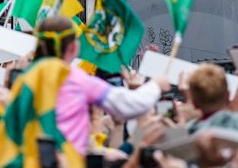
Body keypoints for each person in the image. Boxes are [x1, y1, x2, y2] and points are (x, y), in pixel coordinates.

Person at [37, 15, 167, 154]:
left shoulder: (26, 77)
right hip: (67, 163)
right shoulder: (76, 80)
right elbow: (128, 104)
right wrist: (156, 84)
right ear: (74, 47)